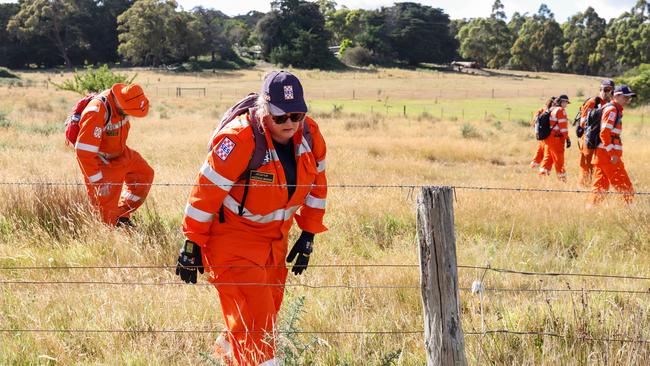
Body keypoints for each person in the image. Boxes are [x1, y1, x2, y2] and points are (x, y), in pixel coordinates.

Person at [177, 70, 328, 366]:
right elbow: (205, 192)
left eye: (296, 115)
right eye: (280, 117)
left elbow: (318, 183)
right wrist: (192, 242)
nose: (290, 124)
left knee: (261, 319)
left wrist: (308, 233)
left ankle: (224, 360)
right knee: (258, 331)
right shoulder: (238, 138)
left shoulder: (309, 135)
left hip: (275, 243)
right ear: (263, 109)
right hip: (232, 240)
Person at [74, 83, 154, 227]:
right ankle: (109, 234)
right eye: (128, 112)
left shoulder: (123, 104)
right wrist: (98, 182)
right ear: (120, 102)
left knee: (144, 174)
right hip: (102, 162)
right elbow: (84, 151)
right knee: (105, 212)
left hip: (121, 153)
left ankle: (121, 215)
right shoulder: (97, 110)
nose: (129, 115)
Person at [589, 85, 636, 205]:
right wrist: (612, 153)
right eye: (625, 97)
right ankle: (630, 210)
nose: (627, 100)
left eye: (629, 98)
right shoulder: (612, 110)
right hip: (608, 155)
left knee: (600, 186)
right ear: (616, 95)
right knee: (624, 184)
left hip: (602, 154)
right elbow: (604, 133)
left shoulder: (613, 109)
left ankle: (591, 208)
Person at [577, 80, 614, 187]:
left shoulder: (610, 105)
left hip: (601, 140)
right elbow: (583, 122)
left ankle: (595, 186)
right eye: (604, 89)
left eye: (609, 90)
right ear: (600, 90)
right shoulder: (593, 102)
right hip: (589, 138)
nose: (606, 92)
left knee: (599, 165)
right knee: (586, 165)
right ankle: (583, 187)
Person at [539, 95, 571, 181]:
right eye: (566, 103)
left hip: (548, 138)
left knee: (548, 158)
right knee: (559, 159)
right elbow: (563, 127)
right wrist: (567, 138)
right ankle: (562, 179)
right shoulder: (560, 110)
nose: (566, 105)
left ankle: (542, 177)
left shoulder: (551, 109)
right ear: (562, 102)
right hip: (556, 139)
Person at [530, 96, 556, 169]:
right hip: (547, 136)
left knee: (539, 152)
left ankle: (533, 167)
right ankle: (543, 169)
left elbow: (533, 122)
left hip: (541, 135)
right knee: (547, 154)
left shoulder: (541, 110)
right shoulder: (550, 111)